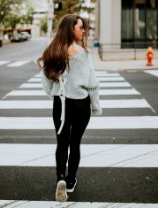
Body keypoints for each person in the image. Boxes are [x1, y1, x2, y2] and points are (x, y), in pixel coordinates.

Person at [37, 14, 102, 202]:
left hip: (61, 102)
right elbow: (92, 83)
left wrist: (55, 94)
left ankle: (60, 178)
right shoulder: (83, 54)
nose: (83, 31)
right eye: (80, 27)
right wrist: (96, 105)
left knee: (62, 142)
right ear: (70, 28)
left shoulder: (53, 50)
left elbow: (46, 80)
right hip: (81, 104)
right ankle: (71, 181)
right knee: (75, 143)